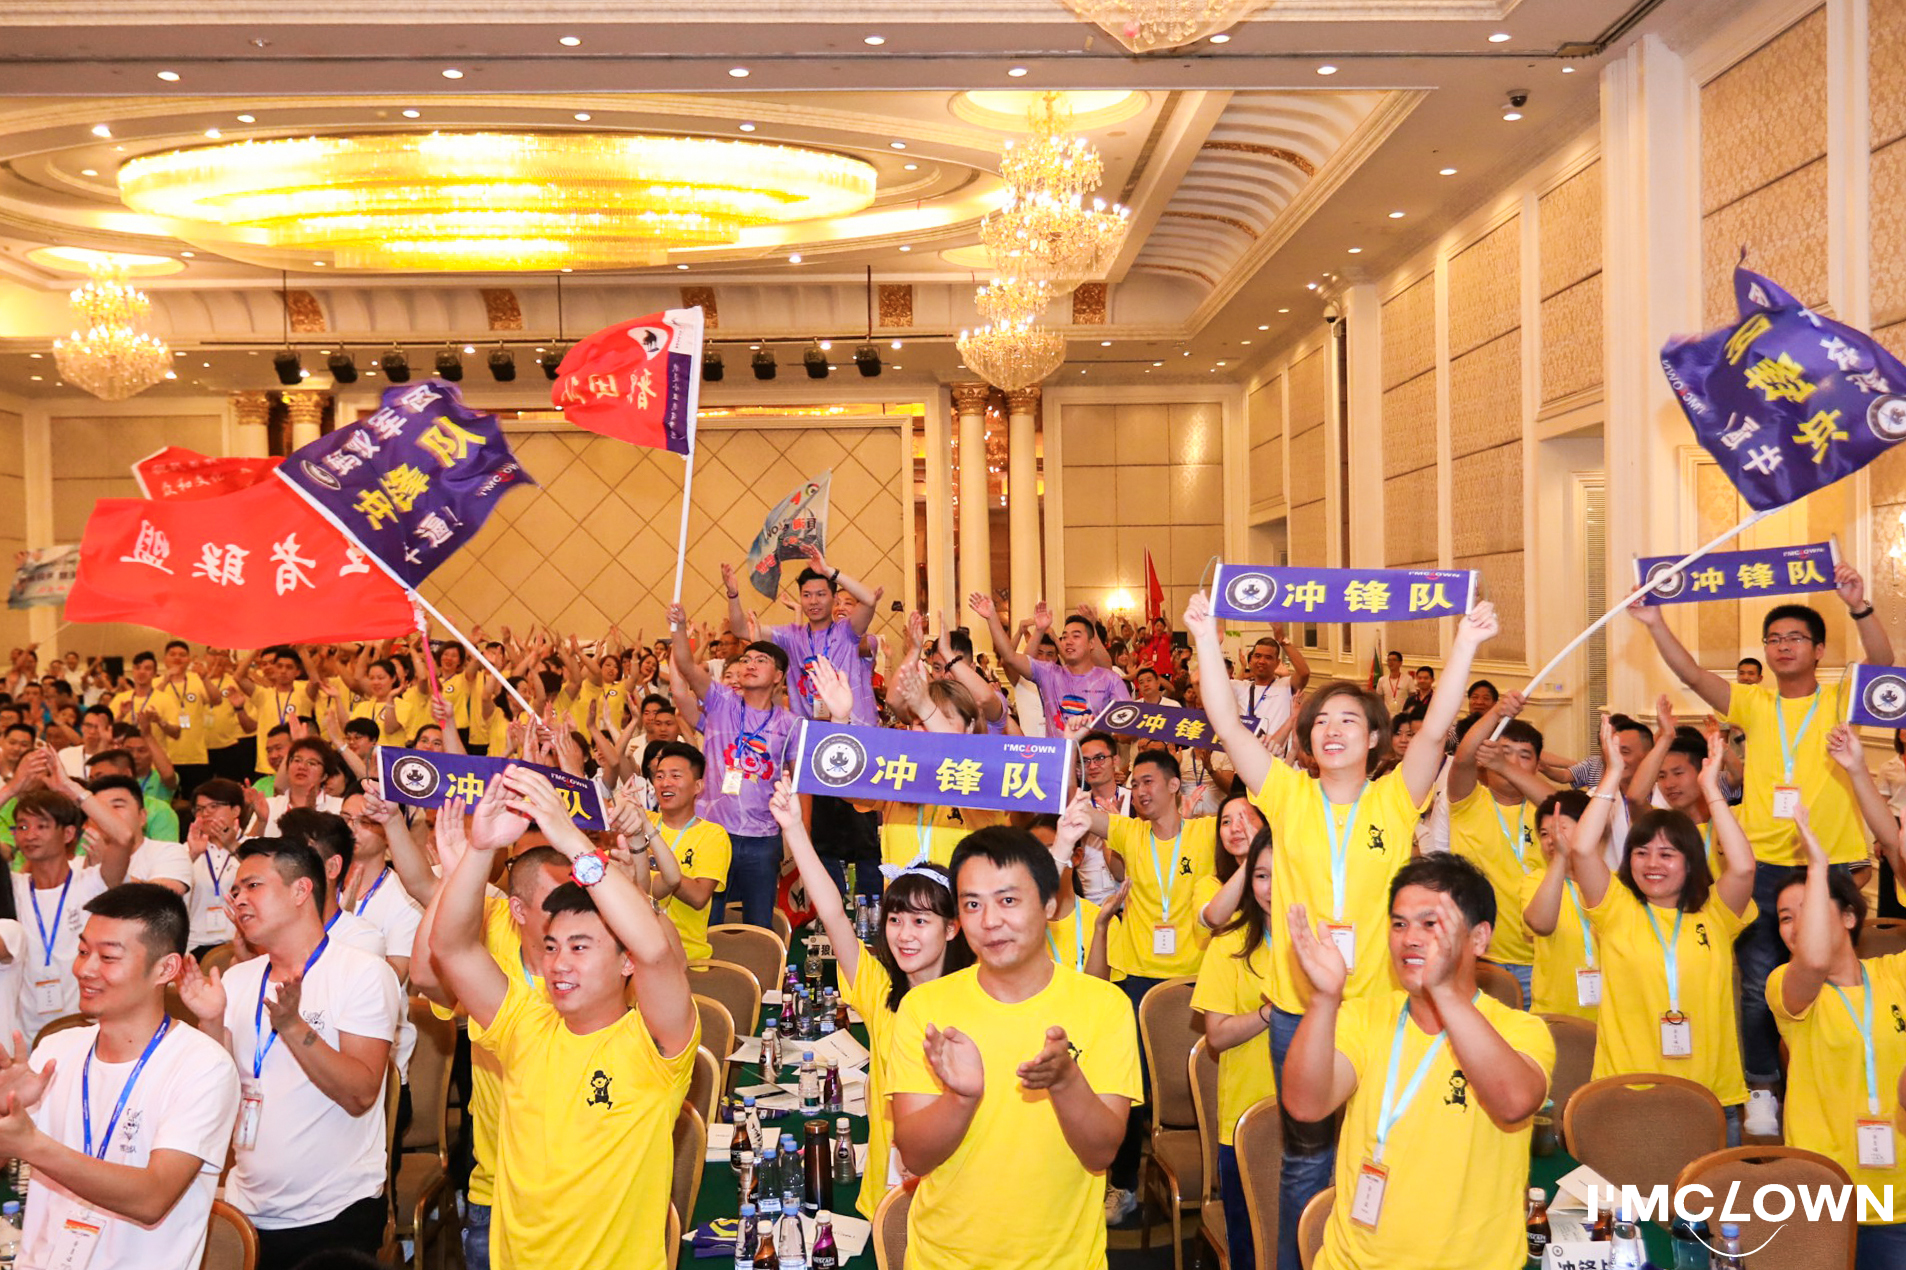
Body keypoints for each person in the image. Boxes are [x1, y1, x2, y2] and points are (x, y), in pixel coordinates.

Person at [1188, 591, 1495, 1270]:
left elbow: (1436, 731)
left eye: (1350, 720)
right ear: (1306, 740)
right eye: (1321, 721)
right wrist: (1206, 637)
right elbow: (1226, 723)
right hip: (1300, 1012)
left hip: (1383, 1009)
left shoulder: (1395, 797)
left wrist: (1467, 643)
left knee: (1381, 1146)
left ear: (1376, 738)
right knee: (1306, 1158)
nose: (1333, 730)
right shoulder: (1286, 793)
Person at [1631, 567, 1892, 1137]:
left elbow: (1881, 665)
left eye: (1795, 638)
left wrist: (1860, 607)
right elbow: (1692, 673)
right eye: (1773, 639)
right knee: (1756, 984)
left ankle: (1827, 1079)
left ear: (1818, 650)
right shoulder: (1752, 702)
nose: (1782, 646)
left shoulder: (1839, 699)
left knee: (1833, 979)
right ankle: (1762, 1087)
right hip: (1760, 866)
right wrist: (1653, 622)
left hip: (1829, 863)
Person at [428, 766, 697, 1270]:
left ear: (625, 962)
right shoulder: (523, 1022)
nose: (559, 963)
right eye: (551, 947)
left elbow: (657, 953)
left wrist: (573, 840)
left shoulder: (653, 1046)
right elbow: (452, 948)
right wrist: (480, 850)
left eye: (580, 946)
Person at [1281, 854, 1554, 1270]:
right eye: (1399, 924)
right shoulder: (1364, 1017)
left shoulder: (1519, 1030)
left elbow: (1515, 1101)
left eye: (1430, 924)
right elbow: (1305, 1104)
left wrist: (1442, 989)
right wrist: (1323, 999)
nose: (1409, 938)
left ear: (1479, 939)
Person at [890, 826, 1141, 1270]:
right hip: (944, 1260)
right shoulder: (925, 1008)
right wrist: (960, 1098)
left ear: (1049, 905)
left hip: (1064, 1262)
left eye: (1007, 900)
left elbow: (1101, 1153)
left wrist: (1066, 1082)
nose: (989, 921)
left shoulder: (1105, 1006)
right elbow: (915, 1155)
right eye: (972, 904)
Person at [176, 837, 402, 1268]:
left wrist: (294, 1026)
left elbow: (361, 1093)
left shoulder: (361, 973)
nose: (239, 898)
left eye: (253, 886)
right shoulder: (237, 980)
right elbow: (215, 1095)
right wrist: (211, 1021)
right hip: (247, 1210)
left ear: (301, 890)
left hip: (334, 1214)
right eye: (236, 889)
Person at [0, 884, 240, 1270]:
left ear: (166, 968)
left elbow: (152, 1197)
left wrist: (31, 1145)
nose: (85, 969)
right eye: (83, 951)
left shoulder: (203, 1066)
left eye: (108, 957)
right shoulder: (55, 1051)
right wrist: (3, 1113)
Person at [770, 777, 970, 1219]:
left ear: (952, 928)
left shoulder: (976, 999)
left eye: (921, 921)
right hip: (887, 1193)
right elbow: (832, 912)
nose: (904, 934)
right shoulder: (880, 991)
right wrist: (794, 830)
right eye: (895, 919)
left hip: (956, 1197)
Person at [1565, 717, 1758, 1142]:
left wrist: (1712, 790)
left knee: (1709, 1188)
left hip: (1711, 1094)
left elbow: (1744, 867)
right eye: (1642, 852)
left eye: (1667, 854)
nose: (1652, 864)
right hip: (1628, 1090)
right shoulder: (1616, 908)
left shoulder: (1714, 913)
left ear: (1691, 862)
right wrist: (1612, 773)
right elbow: (1581, 848)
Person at [1769, 808, 1906, 1270]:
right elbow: (1812, 960)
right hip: (1822, 1193)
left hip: (1898, 1197)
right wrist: (1817, 867)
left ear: (1849, 916)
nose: (1795, 926)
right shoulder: (1785, 985)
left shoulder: (1894, 975)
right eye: (1785, 918)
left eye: (1809, 911)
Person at [667, 604, 795, 929]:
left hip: (763, 838)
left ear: (778, 676)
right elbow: (685, 665)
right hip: (714, 831)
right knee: (709, 923)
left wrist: (797, 834)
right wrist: (679, 628)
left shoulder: (790, 724)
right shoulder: (721, 701)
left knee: (758, 926)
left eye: (761, 660)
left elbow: (798, 783)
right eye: (746, 659)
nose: (750, 664)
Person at [1190, 823, 1278, 1270]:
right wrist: (1269, 1014)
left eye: (1284, 873)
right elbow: (1217, 1035)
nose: (1271, 887)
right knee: (1250, 1248)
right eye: (1261, 876)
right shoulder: (1228, 945)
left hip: (1321, 1120)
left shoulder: (1331, 945)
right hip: (1245, 1121)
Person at [11, 761, 141, 1043]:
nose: (30, 835)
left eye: (42, 826)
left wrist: (71, 788)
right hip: (21, 1032)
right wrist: (12, 788)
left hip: (87, 1028)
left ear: (68, 833)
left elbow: (124, 837)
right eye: (22, 826)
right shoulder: (12, 888)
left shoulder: (92, 882)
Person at [1444, 693, 1554, 1006]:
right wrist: (1496, 711)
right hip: (1479, 956)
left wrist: (1504, 765)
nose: (1513, 762)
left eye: (1524, 756)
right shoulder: (1469, 801)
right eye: (1505, 753)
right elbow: (1463, 758)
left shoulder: (1545, 810)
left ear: (1537, 765)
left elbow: (1560, 806)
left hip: (1540, 960)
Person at [726, 548, 878, 724]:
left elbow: (869, 599)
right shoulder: (790, 636)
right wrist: (733, 595)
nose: (813, 601)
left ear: (834, 598)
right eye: (806, 595)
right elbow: (740, 630)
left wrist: (829, 572)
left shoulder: (847, 631)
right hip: (808, 731)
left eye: (821, 594)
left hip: (853, 729)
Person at [971, 595, 1130, 735]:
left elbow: (1128, 726)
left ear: (1091, 643)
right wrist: (992, 617)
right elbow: (1009, 656)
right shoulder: (1049, 673)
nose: (1068, 641)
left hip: (1095, 757)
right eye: (1064, 637)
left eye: (1076, 636)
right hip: (1057, 757)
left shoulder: (1110, 679)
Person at [632, 740, 731, 961]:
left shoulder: (713, 835)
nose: (665, 783)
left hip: (687, 956)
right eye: (659, 776)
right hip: (637, 951)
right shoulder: (641, 820)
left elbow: (698, 896)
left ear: (698, 786)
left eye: (675, 776)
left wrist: (652, 863)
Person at [1520, 791, 1600, 1021]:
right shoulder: (1536, 882)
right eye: (1545, 833)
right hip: (1554, 1014)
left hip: (1608, 1014)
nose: (1552, 839)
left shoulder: (1612, 882)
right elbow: (1540, 925)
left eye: (1560, 829)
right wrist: (1561, 859)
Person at [187, 779, 247, 955]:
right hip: (195, 945)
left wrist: (233, 847)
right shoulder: (186, 851)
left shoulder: (253, 847)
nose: (205, 813)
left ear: (235, 810)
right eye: (200, 809)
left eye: (214, 806)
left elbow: (265, 878)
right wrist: (192, 856)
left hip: (245, 943)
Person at [1230, 630, 1310, 741]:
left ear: (1277, 663)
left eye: (1268, 657)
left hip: (1275, 751)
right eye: (1257, 656)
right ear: (1250, 660)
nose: (1261, 661)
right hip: (1244, 749)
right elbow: (1205, 683)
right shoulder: (1239, 686)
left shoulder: (1285, 685)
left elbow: (1304, 673)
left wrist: (1283, 640)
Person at [1376, 650, 1409, 714]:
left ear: (1400, 663)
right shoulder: (1382, 680)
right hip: (1387, 714)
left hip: (1402, 714)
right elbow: (1380, 700)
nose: (1391, 662)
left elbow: (1412, 699)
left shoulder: (1408, 679)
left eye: (1394, 660)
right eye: (1389, 660)